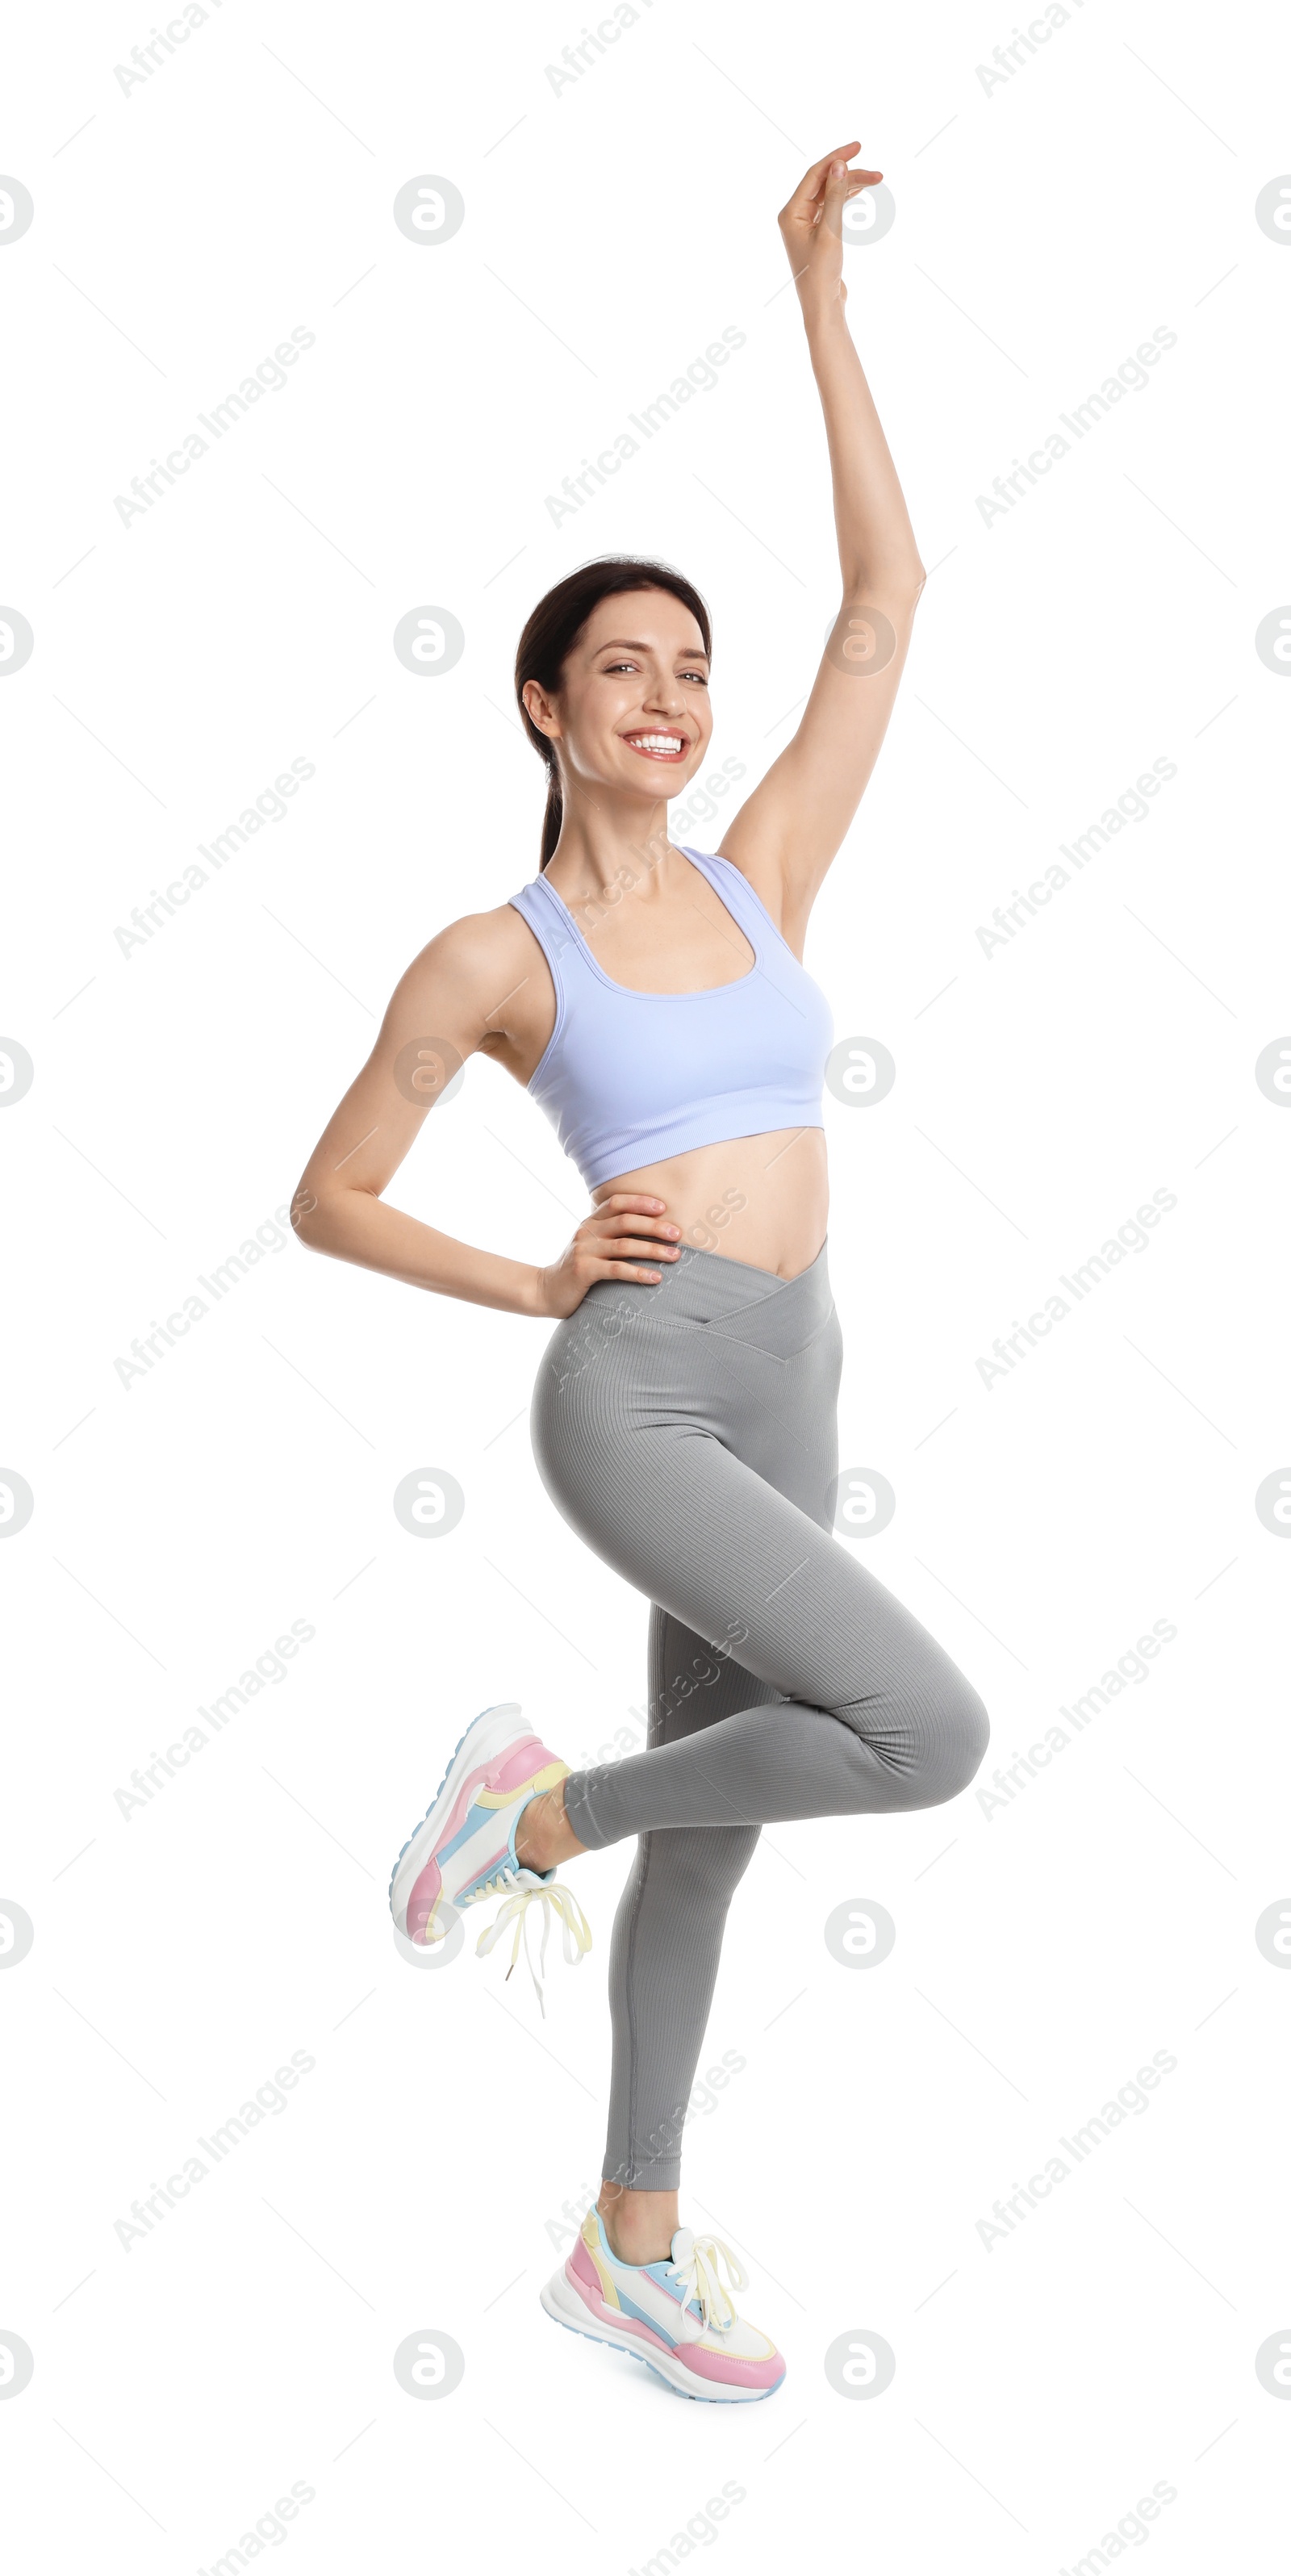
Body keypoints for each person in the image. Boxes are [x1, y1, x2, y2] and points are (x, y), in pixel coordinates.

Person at [292, 143, 989, 2403]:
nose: (676, 700)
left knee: (748, 1805)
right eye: (630, 669)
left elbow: (886, 591)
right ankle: (527, 1817)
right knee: (916, 1735)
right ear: (543, 704)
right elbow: (330, 1192)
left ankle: (631, 2242)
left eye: (694, 667)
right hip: (642, 1391)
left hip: (797, 1370)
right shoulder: (499, 954)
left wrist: (821, 309)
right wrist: (528, 1281)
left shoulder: (769, 866)